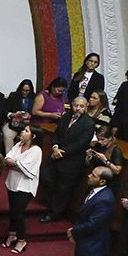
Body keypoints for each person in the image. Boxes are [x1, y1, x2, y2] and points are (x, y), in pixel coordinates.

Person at [65, 167, 115, 256]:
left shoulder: (105, 199)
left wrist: (74, 231)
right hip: (86, 242)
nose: (89, 176)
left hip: (92, 245)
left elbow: (93, 224)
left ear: (102, 181)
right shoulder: (96, 192)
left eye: (93, 175)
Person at [39, 95, 95, 223]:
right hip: (56, 155)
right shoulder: (66, 117)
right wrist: (55, 147)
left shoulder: (89, 123)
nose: (78, 108)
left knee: (63, 189)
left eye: (81, 106)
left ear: (86, 107)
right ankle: (50, 203)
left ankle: (55, 213)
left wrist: (61, 152)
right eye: (76, 105)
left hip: (72, 161)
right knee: (45, 177)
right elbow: (57, 134)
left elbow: (81, 144)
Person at [2, 125, 43, 254]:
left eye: (26, 131)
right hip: (12, 182)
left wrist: (15, 164)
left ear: (33, 136)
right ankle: (12, 234)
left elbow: (26, 168)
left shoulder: (36, 150)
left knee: (18, 213)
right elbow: (8, 158)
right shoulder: (18, 144)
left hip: (25, 186)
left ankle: (21, 239)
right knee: (12, 210)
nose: (22, 132)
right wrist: (16, 164)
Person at [2, 79, 37, 152]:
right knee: (8, 135)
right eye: (23, 90)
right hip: (13, 123)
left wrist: (30, 116)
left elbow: (37, 113)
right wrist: (12, 114)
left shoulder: (35, 98)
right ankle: (9, 156)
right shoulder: (13, 96)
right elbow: (4, 111)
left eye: (27, 91)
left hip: (29, 124)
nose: (24, 92)